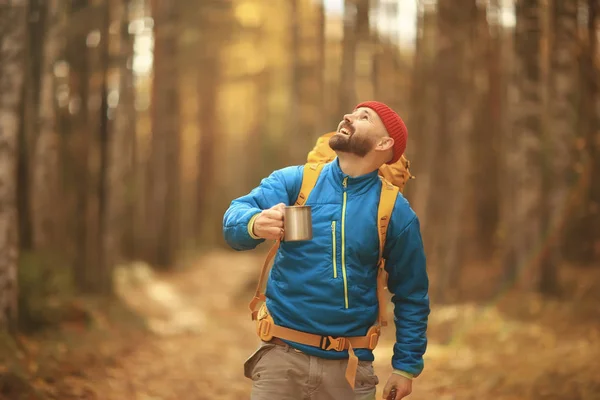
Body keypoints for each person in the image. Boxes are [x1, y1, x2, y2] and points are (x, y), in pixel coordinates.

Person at [223, 101, 430, 400]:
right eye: (352, 112)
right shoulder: (296, 181)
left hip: (351, 369)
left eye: (364, 117)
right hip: (281, 359)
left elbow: (412, 294)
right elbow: (234, 216)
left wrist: (406, 367)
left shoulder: (394, 211)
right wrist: (253, 223)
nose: (348, 116)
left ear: (384, 143)